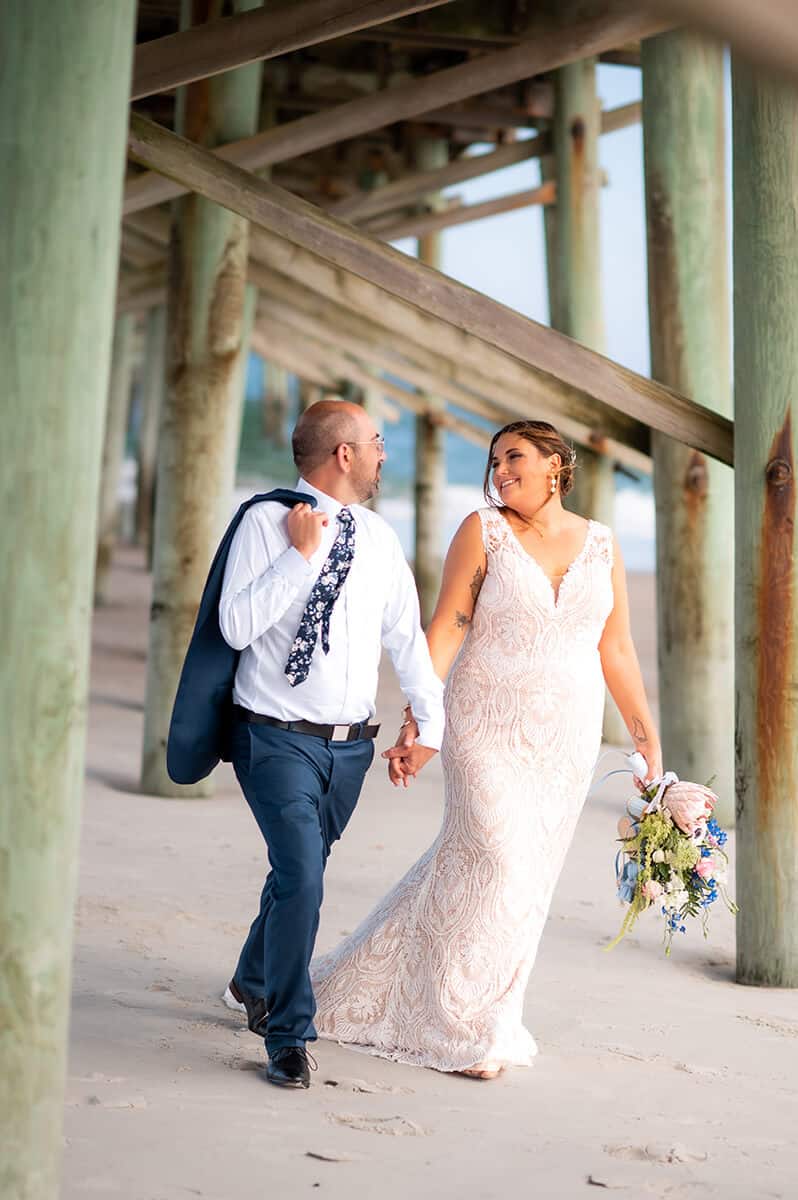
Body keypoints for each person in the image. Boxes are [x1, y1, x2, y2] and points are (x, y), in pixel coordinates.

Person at [310, 420, 662, 1078]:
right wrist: (420, 713)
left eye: (515, 457)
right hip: (485, 721)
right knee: (495, 858)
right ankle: (460, 1024)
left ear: (557, 463)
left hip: (567, 738)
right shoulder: (483, 530)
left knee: (520, 879)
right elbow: (447, 625)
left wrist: (648, 742)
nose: (500, 470)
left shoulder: (603, 543)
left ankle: (467, 1007)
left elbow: (616, 650)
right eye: (495, 460)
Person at [219, 400, 444, 1090]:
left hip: (350, 749)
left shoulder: (378, 537)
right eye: (375, 442)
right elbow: (233, 627)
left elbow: (407, 637)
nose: (384, 454)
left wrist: (428, 728)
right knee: (305, 876)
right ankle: (287, 1032)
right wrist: (299, 558)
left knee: (297, 871)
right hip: (274, 738)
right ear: (343, 453)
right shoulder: (266, 522)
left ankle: (253, 977)